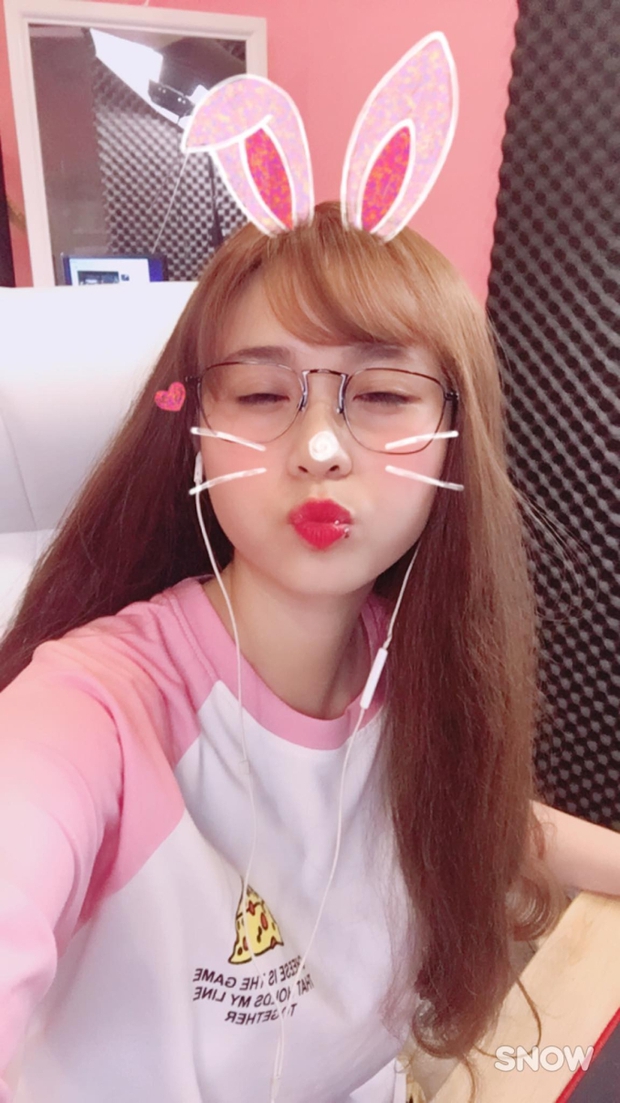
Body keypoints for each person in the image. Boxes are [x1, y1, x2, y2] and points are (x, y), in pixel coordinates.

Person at [0, 203, 619, 1103]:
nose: (320, 449)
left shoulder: (411, 664)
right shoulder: (90, 708)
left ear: (454, 439)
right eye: (260, 395)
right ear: (196, 426)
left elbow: (477, 817)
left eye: (383, 396)